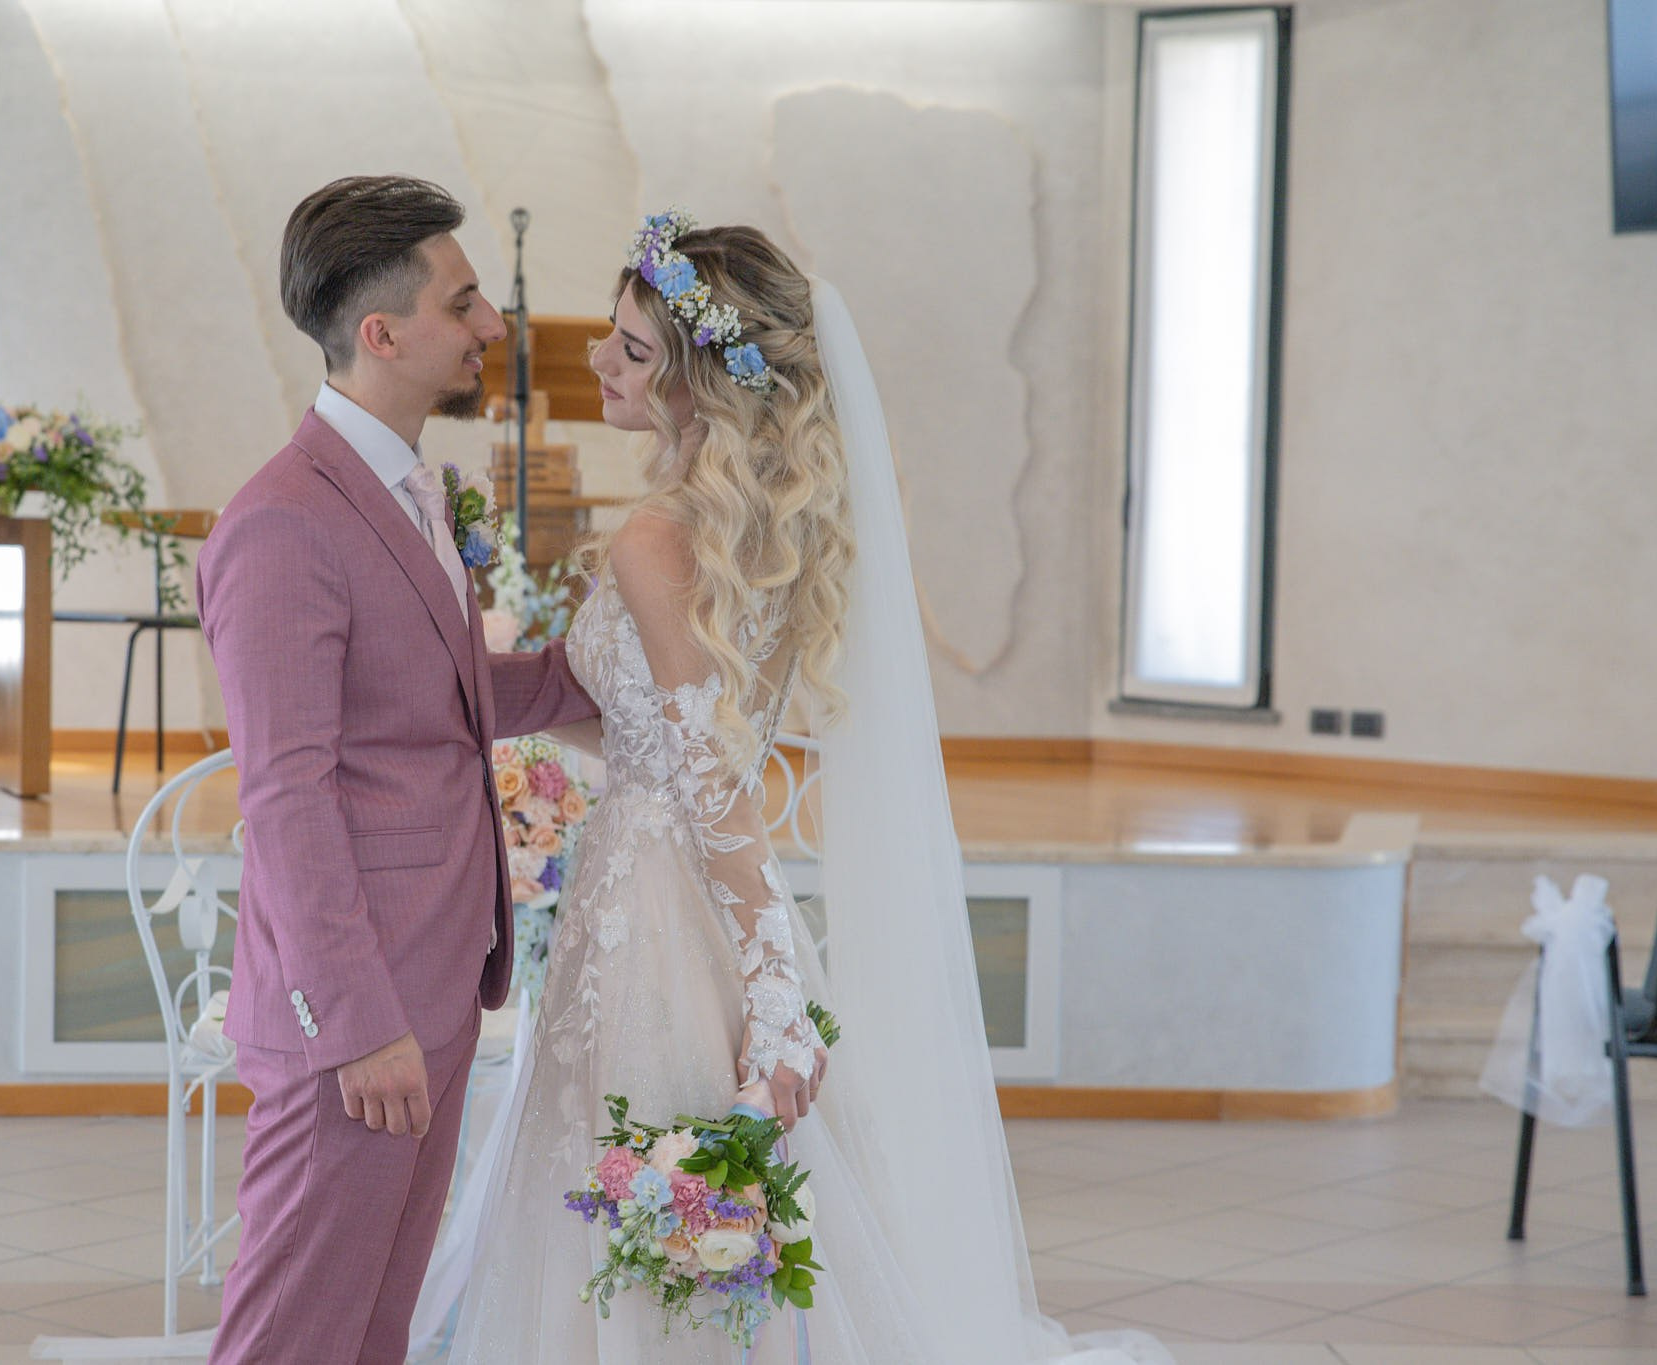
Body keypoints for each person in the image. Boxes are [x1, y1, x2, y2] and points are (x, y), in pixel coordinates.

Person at [446, 212, 1172, 1363]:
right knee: (688, 1188)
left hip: (651, 912)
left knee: (644, 1163)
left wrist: (776, 1000)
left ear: (697, 386)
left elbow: (701, 779)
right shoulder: (751, 537)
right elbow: (670, 742)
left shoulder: (653, 541)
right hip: (690, 891)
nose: (599, 359)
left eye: (632, 350)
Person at [195, 174, 598, 1365]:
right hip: (356, 1011)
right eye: (464, 301)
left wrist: (620, 672)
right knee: (293, 1334)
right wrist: (355, 1025)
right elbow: (284, 794)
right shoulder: (284, 521)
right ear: (382, 334)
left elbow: (441, 700)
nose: (491, 327)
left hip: (431, 975)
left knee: (374, 1329)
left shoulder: (405, 488)